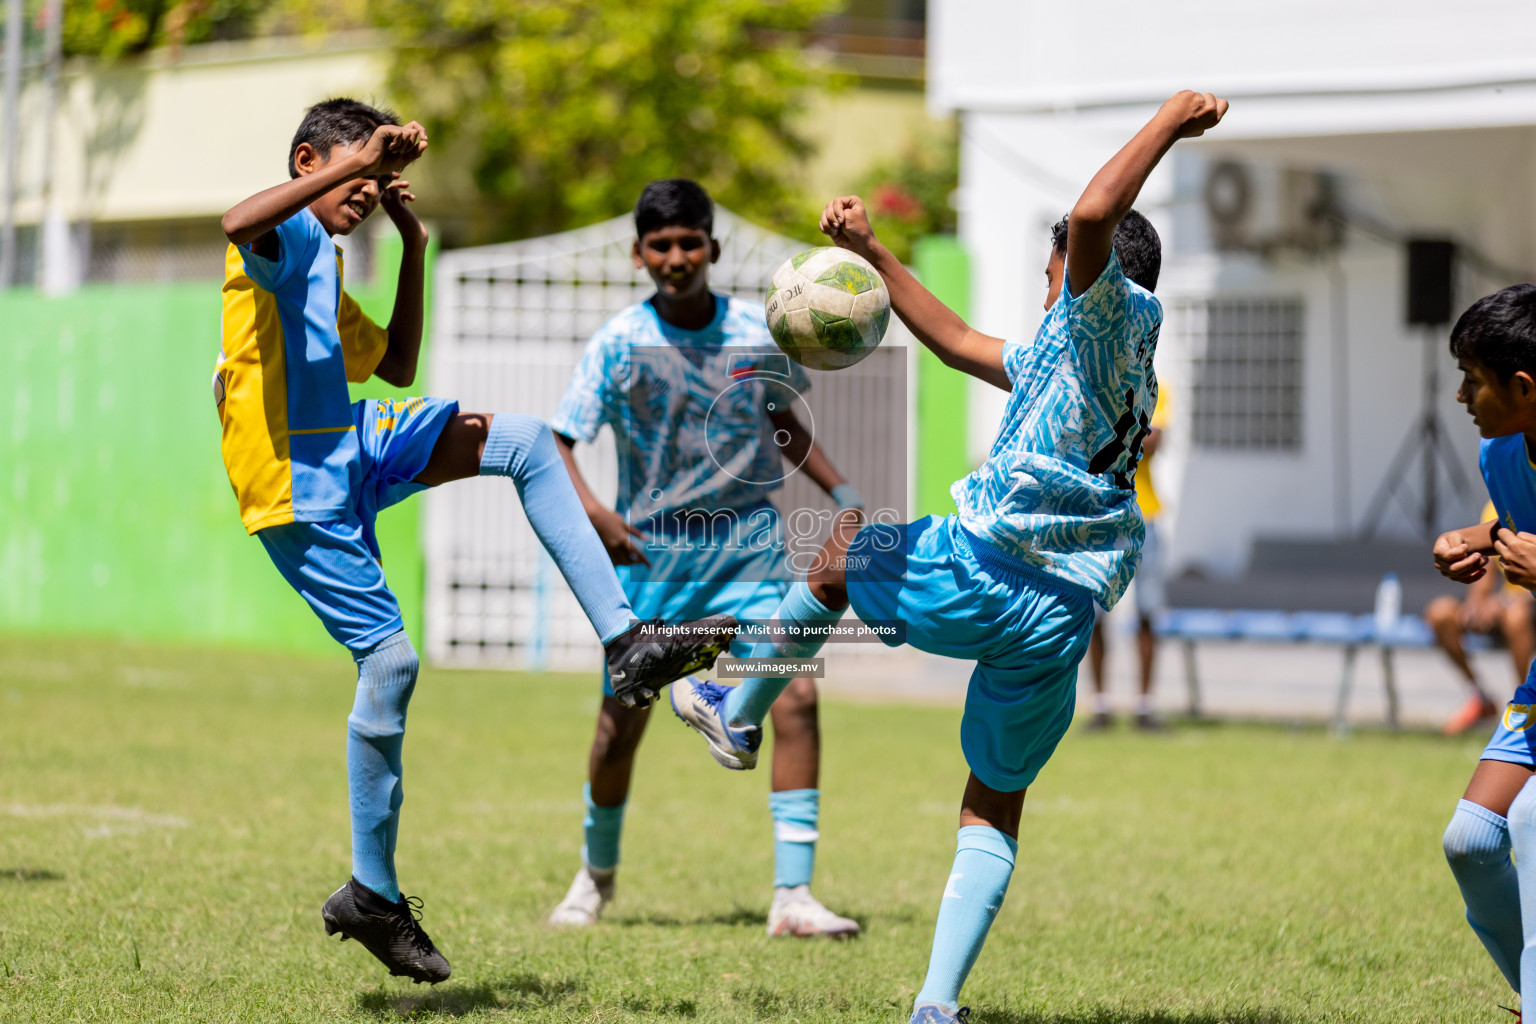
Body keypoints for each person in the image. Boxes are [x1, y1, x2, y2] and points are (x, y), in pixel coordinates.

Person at [669, 91, 1228, 1022]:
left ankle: (738, 706)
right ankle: (936, 1005)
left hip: (983, 569)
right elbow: (963, 344)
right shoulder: (1108, 358)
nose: (1048, 288)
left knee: (839, 553)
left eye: (1054, 275)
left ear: (1083, 276)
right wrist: (875, 258)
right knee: (992, 807)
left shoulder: (1098, 313)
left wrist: (1170, 119)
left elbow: (1093, 216)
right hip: (1060, 619)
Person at [215, 101, 735, 984]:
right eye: (358, 176)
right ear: (310, 160)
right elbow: (235, 222)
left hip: (350, 441)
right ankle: (371, 894)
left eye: (380, 186)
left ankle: (629, 640)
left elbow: (398, 365)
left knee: (527, 441)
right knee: (390, 667)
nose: (369, 195)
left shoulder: (327, 260)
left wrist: (414, 246)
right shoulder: (280, 241)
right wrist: (352, 168)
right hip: (293, 485)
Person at [544, 180, 861, 938]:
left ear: (713, 249)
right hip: (655, 562)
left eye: (690, 243)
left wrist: (844, 491)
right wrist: (601, 518)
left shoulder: (757, 332)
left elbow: (783, 423)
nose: (676, 257)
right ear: (638, 254)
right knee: (620, 728)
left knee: (797, 702)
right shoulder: (619, 341)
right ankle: (595, 877)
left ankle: (793, 897)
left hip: (749, 556)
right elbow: (557, 443)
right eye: (661, 245)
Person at [1438, 283, 1536, 1017]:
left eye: (1474, 378)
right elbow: (1516, 522)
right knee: (1473, 839)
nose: (1462, 395)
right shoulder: (1502, 450)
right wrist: (1476, 541)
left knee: (1530, 824)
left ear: (1523, 386)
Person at [1086, 383, 1171, 731]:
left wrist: (1114, 431)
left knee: (1148, 612)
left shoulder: (1156, 388)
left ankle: (1144, 707)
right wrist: (1134, 430)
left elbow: (1155, 442)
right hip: (1102, 515)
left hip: (1145, 514)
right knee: (1093, 616)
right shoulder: (1097, 386)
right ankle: (1101, 706)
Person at [1426, 499, 1536, 736]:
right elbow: (1486, 564)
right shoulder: (1497, 503)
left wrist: (1503, 603)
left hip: (1526, 606)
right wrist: (1476, 603)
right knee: (1441, 612)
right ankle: (1479, 697)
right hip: (1506, 608)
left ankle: (1524, 706)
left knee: (1516, 614)